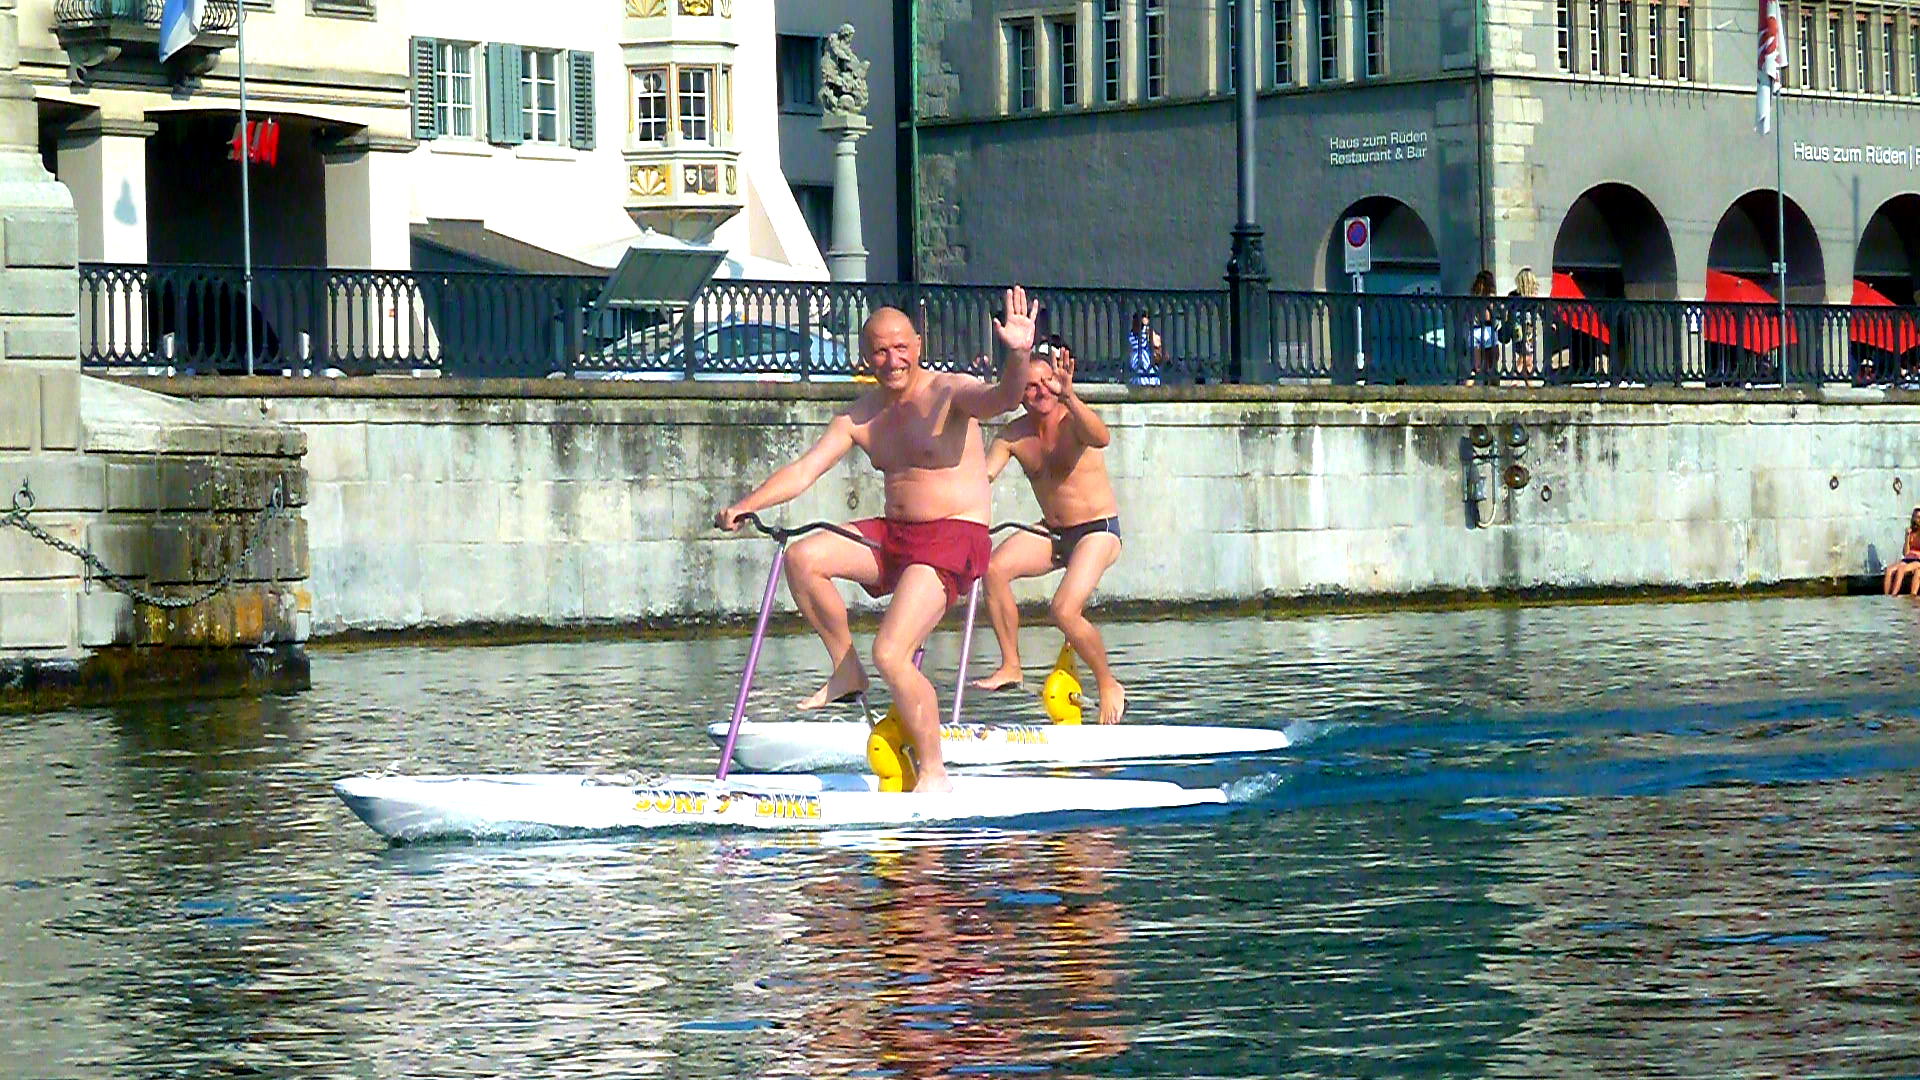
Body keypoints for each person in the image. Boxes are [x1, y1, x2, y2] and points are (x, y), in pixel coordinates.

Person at [715, 289, 1039, 793]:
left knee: (892, 651)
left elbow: (1005, 398)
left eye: (900, 348)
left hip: (955, 536)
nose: (892, 360)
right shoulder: (860, 416)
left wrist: (1018, 355)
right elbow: (804, 472)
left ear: (918, 344)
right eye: (880, 351)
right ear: (866, 357)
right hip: (898, 536)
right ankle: (846, 670)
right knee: (804, 558)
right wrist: (746, 505)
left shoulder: (949, 392)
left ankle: (934, 773)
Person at [970, 336, 1128, 724]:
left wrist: (1070, 396)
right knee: (992, 568)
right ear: (1019, 392)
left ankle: (1108, 682)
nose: (1039, 391)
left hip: (1097, 530)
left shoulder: (1072, 420)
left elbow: (1102, 437)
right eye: (1029, 386)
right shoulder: (1013, 435)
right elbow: (982, 477)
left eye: (1045, 384)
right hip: (1054, 534)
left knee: (1063, 609)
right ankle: (1011, 665)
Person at [1467, 270, 1499, 383]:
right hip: (1488, 331)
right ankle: (1494, 390)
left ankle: (1465, 389)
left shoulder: (1474, 294)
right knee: (1492, 365)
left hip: (1474, 331)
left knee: (1476, 368)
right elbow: (1487, 317)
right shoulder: (1489, 296)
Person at [1884, 507, 1920, 595]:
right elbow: (1906, 553)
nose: (1916, 520)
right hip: (1908, 559)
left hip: (1918, 560)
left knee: (1901, 569)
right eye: (1915, 517)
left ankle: (1894, 594)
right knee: (1889, 570)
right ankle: (1886, 596)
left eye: (1919, 518)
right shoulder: (1910, 533)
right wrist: (1907, 537)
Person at [1127, 311, 1163, 386]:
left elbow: (1157, 343)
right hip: (1140, 359)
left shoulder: (1147, 331)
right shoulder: (1133, 335)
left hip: (1147, 359)